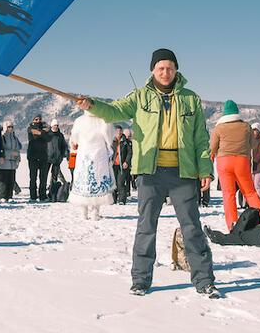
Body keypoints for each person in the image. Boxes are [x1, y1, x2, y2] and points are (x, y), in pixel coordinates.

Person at [77, 48, 220, 299]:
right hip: (149, 171)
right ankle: (141, 280)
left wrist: (204, 169)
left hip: (183, 171)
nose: (165, 73)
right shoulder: (140, 97)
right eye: (160, 68)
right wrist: (92, 105)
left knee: (192, 227)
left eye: (170, 68)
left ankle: (204, 280)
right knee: (146, 226)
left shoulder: (190, 99)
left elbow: (200, 137)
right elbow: (114, 111)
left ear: (177, 70)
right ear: (152, 70)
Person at [211, 100, 260, 230]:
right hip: (242, 161)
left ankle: (232, 224)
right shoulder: (246, 126)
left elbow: (213, 148)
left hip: (224, 162)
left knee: (228, 194)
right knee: (250, 192)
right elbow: (252, 145)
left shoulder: (219, 128)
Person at [68, 113, 115, 220]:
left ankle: (83, 213)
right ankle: (95, 213)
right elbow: (109, 137)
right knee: (97, 180)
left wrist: (74, 143)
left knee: (83, 180)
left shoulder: (79, 121)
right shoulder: (103, 119)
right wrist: (109, 149)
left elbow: (74, 139)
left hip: (84, 155)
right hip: (99, 155)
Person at [27, 114, 50, 201]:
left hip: (43, 156)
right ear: (33, 120)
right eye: (36, 119)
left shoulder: (44, 128)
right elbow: (35, 133)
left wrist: (42, 133)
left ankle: (42, 196)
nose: (38, 121)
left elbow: (48, 138)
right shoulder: (30, 128)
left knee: (43, 178)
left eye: (39, 119)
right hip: (33, 157)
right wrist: (43, 133)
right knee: (33, 177)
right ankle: (33, 196)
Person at [0, 121, 22, 202]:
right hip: (4, 161)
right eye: (8, 127)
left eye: (11, 127)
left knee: (11, 180)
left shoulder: (14, 137)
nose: (10, 128)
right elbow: (2, 150)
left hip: (12, 163)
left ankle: (10, 196)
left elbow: (17, 149)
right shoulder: (2, 137)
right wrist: (11, 153)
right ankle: (2, 196)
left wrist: (18, 158)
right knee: (4, 180)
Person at [112, 125, 133, 205]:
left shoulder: (125, 142)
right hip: (113, 164)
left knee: (120, 182)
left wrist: (126, 162)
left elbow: (130, 152)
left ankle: (122, 199)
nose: (118, 133)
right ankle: (113, 199)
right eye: (117, 131)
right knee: (113, 182)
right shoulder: (112, 141)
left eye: (120, 131)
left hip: (122, 165)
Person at [47, 119, 69, 189]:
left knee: (54, 176)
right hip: (47, 158)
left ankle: (52, 191)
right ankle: (42, 192)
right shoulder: (47, 135)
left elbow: (64, 146)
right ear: (51, 126)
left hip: (57, 159)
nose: (56, 127)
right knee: (44, 176)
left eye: (57, 125)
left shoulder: (60, 136)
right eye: (54, 125)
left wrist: (61, 155)